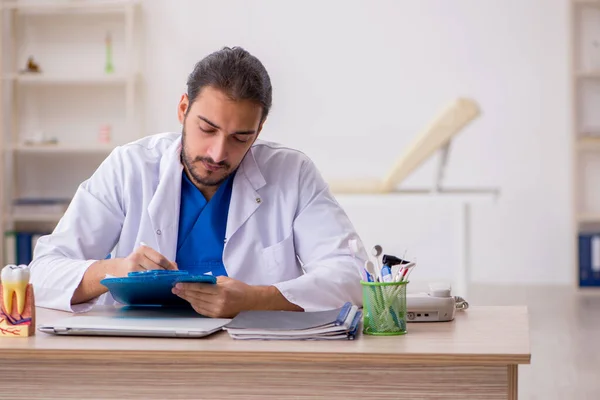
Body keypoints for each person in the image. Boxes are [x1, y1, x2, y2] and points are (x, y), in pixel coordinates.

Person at [29, 46, 366, 318]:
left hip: (256, 355)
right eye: (207, 129)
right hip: (141, 353)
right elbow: (41, 274)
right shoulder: (129, 166)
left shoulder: (293, 173)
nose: (218, 153)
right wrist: (113, 270)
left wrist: (257, 299)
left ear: (259, 131)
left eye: (240, 137)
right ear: (183, 109)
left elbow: (353, 275)